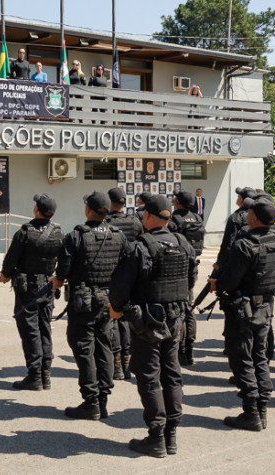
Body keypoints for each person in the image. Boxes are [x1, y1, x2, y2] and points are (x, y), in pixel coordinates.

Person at [109, 194, 197, 457]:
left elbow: (121, 286)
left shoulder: (141, 246)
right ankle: (171, 434)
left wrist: (117, 308)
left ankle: (157, 436)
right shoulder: (183, 243)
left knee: (149, 377)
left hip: (147, 320)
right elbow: (191, 278)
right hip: (174, 317)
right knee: (172, 374)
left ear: (147, 216)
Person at [50, 191, 127, 421]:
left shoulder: (76, 236)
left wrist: (56, 281)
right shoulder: (118, 235)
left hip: (83, 303)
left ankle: (91, 401)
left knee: (84, 349)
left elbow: (62, 273)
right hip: (108, 300)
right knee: (104, 346)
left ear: (88, 210)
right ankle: (102, 400)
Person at [212, 197, 275, 431]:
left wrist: (217, 283)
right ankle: (261, 409)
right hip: (265, 307)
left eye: (250, 213)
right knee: (259, 357)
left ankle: (251, 413)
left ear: (254, 217)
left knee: (242, 358)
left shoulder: (245, 244)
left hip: (243, 309)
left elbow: (230, 280)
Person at [0, 194, 64, 391]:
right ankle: (45, 375)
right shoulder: (58, 233)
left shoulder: (25, 232)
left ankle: (35, 376)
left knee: (30, 331)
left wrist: (4, 276)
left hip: (28, 290)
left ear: (37, 210)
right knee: (45, 329)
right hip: (48, 288)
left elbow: (10, 260)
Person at [106, 187, 144, 380]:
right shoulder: (135, 221)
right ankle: (127, 363)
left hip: (112, 277)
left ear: (110, 201)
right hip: (132, 277)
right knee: (126, 320)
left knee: (113, 319)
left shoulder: (107, 223)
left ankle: (117, 365)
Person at [168, 189, 205, 366]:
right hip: (193, 263)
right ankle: (189, 350)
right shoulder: (197, 218)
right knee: (189, 309)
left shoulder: (175, 219)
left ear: (178, 202)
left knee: (179, 311)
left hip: (178, 266)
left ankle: (181, 350)